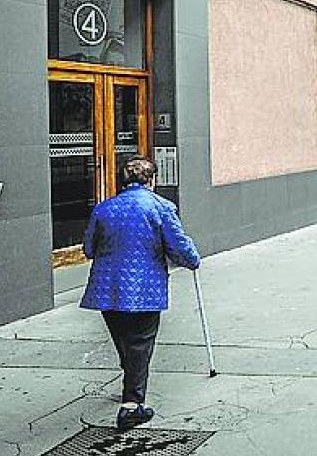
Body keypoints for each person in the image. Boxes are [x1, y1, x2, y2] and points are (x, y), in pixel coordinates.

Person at [82, 157, 200, 431]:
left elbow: (89, 249)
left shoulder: (103, 208)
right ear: (152, 180)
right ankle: (131, 406)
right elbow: (179, 246)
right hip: (143, 290)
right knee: (139, 343)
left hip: (106, 290)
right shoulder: (161, 207)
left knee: (126, 342)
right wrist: (193, 260)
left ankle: (131, 380)